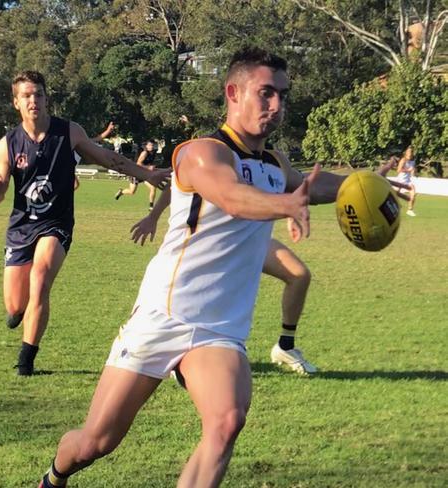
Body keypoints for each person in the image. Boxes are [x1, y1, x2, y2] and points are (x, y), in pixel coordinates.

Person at [36, 47, 409, 488]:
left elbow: (313, 184)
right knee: (95, 442)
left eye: (283, 97)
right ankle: (53, 478)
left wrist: (363, 184)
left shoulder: (275, 165)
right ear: (233, 93)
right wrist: (285, 204)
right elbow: (230, 195)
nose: (276, 107)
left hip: (219, 329)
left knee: (227, 421)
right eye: (265, 94)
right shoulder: (200, 153)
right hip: (163, 316)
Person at [0, 71, 169, 376]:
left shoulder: (69, 132)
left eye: (39, 94)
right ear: (16, 102)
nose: (34, 100)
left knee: (41, 278)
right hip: (20, 228)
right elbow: (0, 188)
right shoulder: (7, 144)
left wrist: (146, 174)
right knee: (15, 305)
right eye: (27, 95)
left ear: (46, 98)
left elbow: (108, 158)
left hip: (56, 223)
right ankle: (19, 311)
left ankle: (25, 361)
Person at [130, 187, 316, 375]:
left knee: (299, 275)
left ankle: (285, 346)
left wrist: (291, 208)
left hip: (250, 239)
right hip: (210, 241)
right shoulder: (216, 158)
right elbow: (176, 182)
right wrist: (153, 216)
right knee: (201, 290)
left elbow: (288, 184)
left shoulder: (271, 158)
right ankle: (179, 352)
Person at [114, 139, 159, 210]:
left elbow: (150, 166)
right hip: (136, 173)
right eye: (150, 145)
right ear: (146, 146)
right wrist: (148, 167)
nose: (151, 147)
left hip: (144, 174)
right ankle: (121, 192)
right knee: (132, 192)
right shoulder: (144, 153)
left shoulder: (153, 154)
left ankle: (151, 206)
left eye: (153, 145)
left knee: (153, 187)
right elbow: (138, 164)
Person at [397, 146, 417, 216]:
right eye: (408, 152)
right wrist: (408, 170)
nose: (410, 154)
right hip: (400, 180)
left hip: (408, 181)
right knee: (395, 194)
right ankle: (396, 206)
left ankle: (410, 210)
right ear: (406, 153)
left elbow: (413, 171)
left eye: (411, 152)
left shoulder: (413, 161)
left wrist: (414, 172)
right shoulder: (403, 160)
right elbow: (398, 170)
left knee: (413, 193)